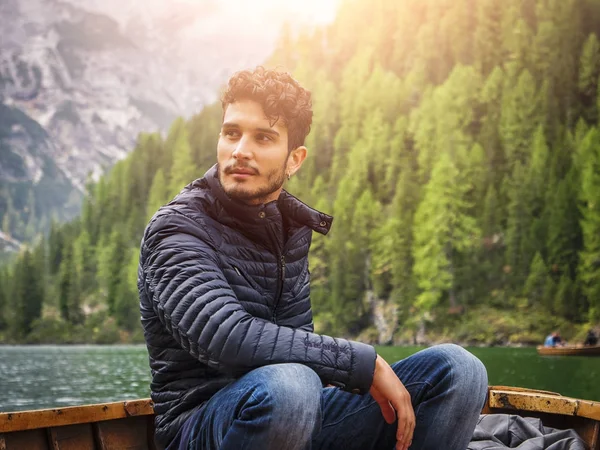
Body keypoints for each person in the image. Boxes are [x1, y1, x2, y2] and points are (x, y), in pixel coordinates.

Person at [138, 67, 488, 450]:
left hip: (294, 413)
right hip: (200, 426)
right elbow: (225, 337)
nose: (240, 150)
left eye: (264, 137)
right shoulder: (176, 229)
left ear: (294, 159)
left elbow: (299, 348)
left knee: (459, 369)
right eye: (231, 133)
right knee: (291, 385)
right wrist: (361, 363)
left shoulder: (289, 228)